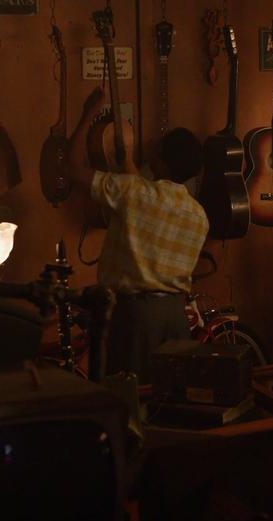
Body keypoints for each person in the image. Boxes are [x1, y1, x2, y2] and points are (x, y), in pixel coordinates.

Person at [68, 87, 208, 382]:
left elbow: (74, 169)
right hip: (175, 318)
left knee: (130, 403)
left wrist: (87, 115)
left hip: (134, 318)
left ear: (163, 161)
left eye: (155, 151)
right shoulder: (199, 216)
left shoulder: (134, 193)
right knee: (171, 401)